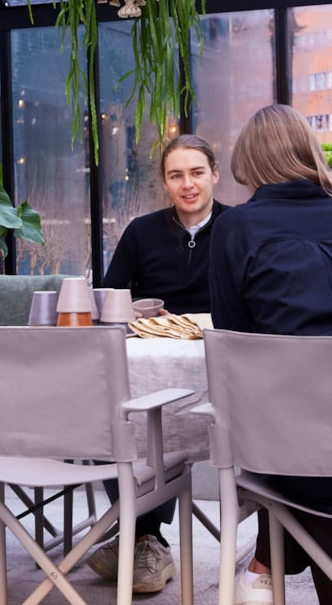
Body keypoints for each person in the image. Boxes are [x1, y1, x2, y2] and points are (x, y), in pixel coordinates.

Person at [87, 134, 228, 592]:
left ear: (214, 175)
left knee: (155, 418)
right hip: (147, 359)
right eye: (176, 175)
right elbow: (110, 299)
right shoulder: (141, 231)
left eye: (196, 173)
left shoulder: (238, 227)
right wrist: (137, 312)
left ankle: (138, 537)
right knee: (110, 409)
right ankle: (146, 537)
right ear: (164, 182)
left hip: (215, 367)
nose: (187, 184)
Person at [209, 103, 332, 605]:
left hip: (285, 455)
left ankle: (264, 567)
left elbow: (234, 341)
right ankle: (264, 568)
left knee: (289, 440)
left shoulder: (237, 228)